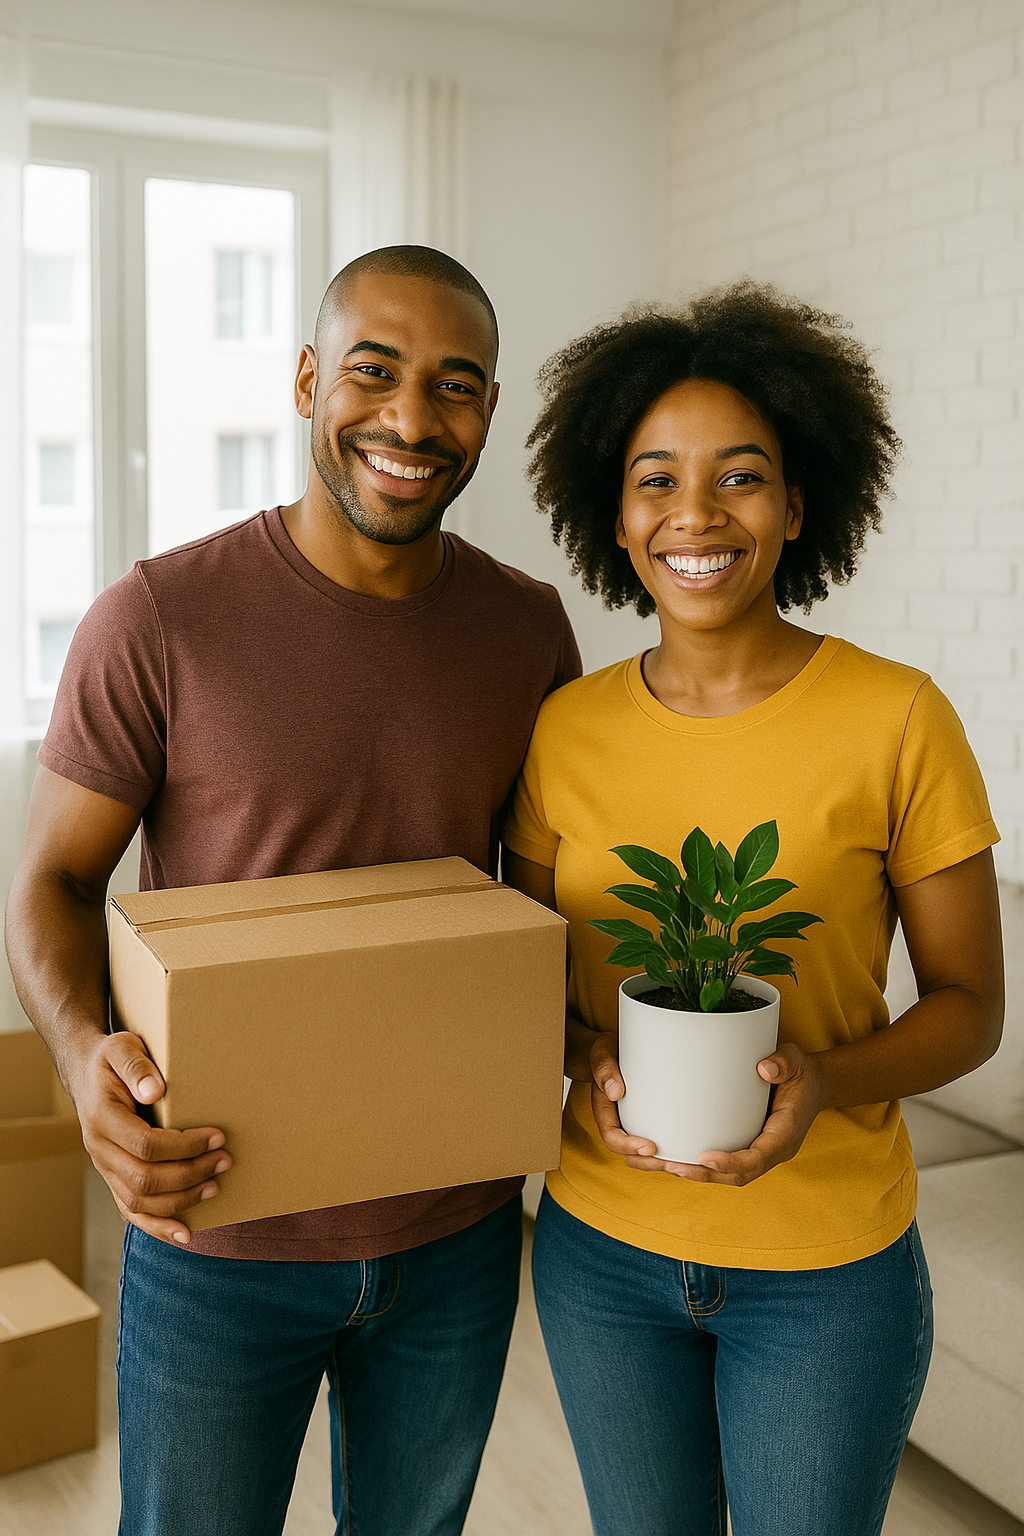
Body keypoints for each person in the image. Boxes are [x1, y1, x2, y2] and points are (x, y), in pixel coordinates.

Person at [5, 244, 580, 1536]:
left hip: (459, 1234)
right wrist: (86, 1048)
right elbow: (48, 882)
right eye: (374, 373)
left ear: (492, 411)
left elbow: (545, 915)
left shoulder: (530, 632)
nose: (413, 420)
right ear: (310, 379)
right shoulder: (156, 618)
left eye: (457, 387)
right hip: (219, 1235)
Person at [501, 282, 1004, 1536]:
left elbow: (969, 1007)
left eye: (740, 476)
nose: (696, 515)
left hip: (827, 1270)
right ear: (611, 516)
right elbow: (509, 984)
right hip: (598, 1252)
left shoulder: (898, 717)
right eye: (655, 479)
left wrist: (823, 1081)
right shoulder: (562, 729)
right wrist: (586, 1063)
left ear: (794, 506)